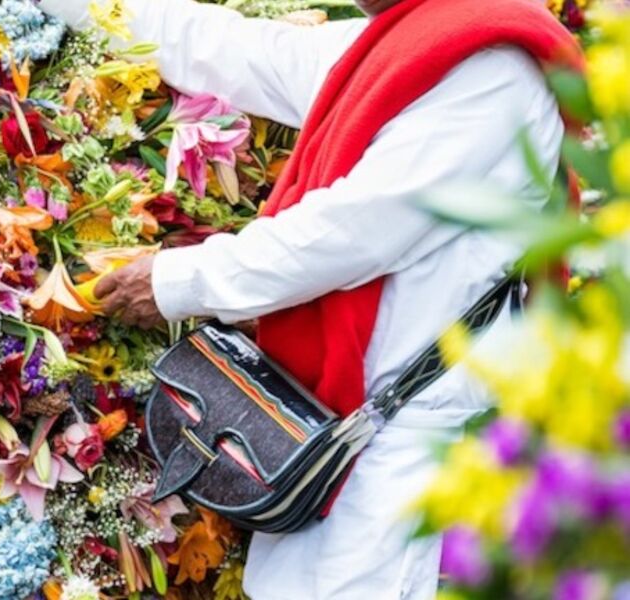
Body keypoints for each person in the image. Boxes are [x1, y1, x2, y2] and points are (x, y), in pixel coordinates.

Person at [37, 0, 582, 598]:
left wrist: (177, 282)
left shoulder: (491, 67)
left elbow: (352, 234)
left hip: (405, 448)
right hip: (340, 434)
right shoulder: (398, 42)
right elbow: (217, 47)